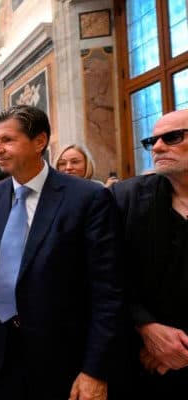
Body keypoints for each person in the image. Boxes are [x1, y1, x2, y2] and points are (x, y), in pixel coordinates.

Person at [0, 105, 123, 399]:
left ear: (39, 142)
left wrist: (95, 369)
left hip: (64, 355)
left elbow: (107, 289)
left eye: (7, 140)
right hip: (3, 352)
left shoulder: (87, 198)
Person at [110, 109, 188, 397]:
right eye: (151, 141)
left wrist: (178, 351)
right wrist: (146, 327)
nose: (157, 147)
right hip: (140, 363)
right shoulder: (124, 198)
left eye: (173, 137)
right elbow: (107, 272)